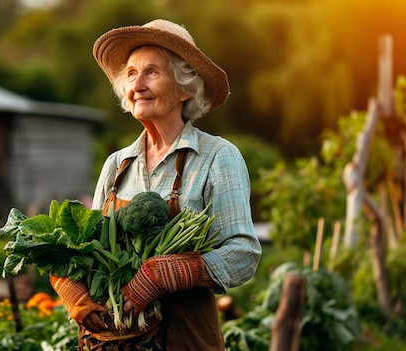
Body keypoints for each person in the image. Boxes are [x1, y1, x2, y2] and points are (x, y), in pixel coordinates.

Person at [50, 19, 262, 351]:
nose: (137, 84)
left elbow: (243, 254)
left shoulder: (217, 157)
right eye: (131, 74)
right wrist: (72, 289)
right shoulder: (117, 165)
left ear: (184, 88)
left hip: (186, 339)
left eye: (152, 72)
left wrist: (165, 275)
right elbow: (85, 247)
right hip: (110, 342)